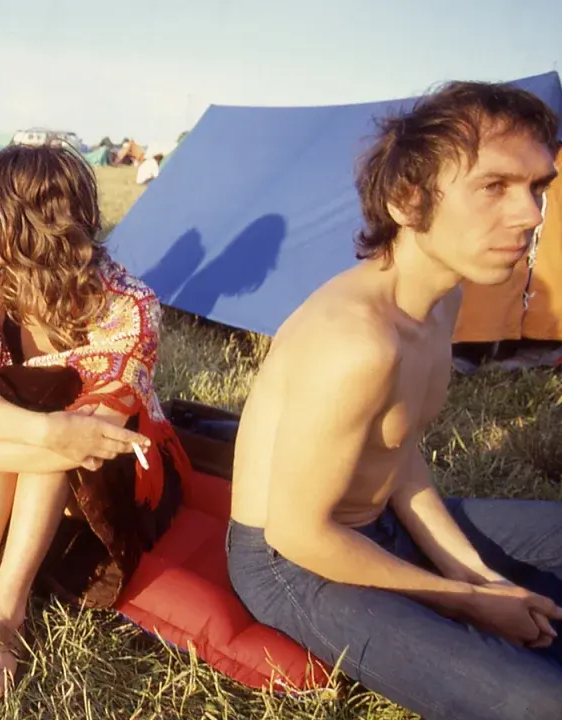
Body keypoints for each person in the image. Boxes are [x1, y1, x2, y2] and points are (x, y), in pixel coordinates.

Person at [227, 81, 562, 720]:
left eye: (536, 187)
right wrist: (462, 599)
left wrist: (478, 576)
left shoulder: (443, 300)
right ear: (408, 201)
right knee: (540, 702)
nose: (530, 215)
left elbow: (399, 457)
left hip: (383, 520)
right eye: (494, 187)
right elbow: (300, 533)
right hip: (293, 563)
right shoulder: (356, 341)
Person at [0, 145, 191, 710]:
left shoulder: (129, 304)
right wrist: (43, 433)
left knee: (46, 402)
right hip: (52, 453)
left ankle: (6, 608)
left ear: (28, 222)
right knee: (23, 397)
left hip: (121, 473)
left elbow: (93, 439)